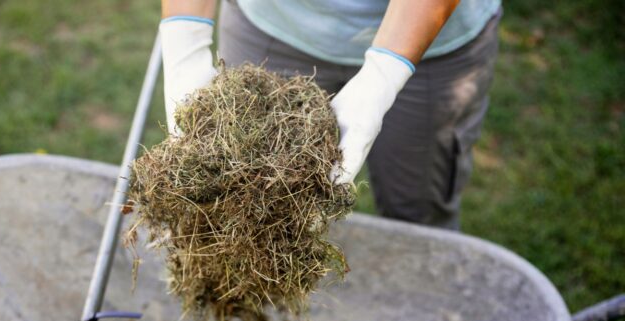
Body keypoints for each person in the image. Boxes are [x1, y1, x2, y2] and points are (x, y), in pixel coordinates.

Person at [159, 0, 501, 230]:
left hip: (431, 37)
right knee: (237, 200)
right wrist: (185, 38)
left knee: (418, 209)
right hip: (273, 23)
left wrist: (385, 73)